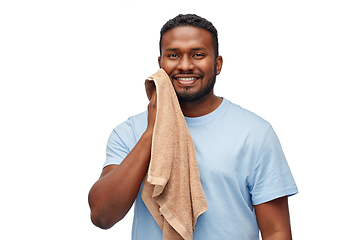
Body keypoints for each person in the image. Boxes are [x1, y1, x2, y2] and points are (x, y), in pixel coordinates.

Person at [88, 14, 298, 240]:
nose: (185, 65)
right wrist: (152, 133)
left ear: (217, 65)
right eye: (173, 55)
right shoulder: (129, 132)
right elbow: (102, 215)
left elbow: (276, 231)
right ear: (160, 64)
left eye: (198, 55)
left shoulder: (255, 133)